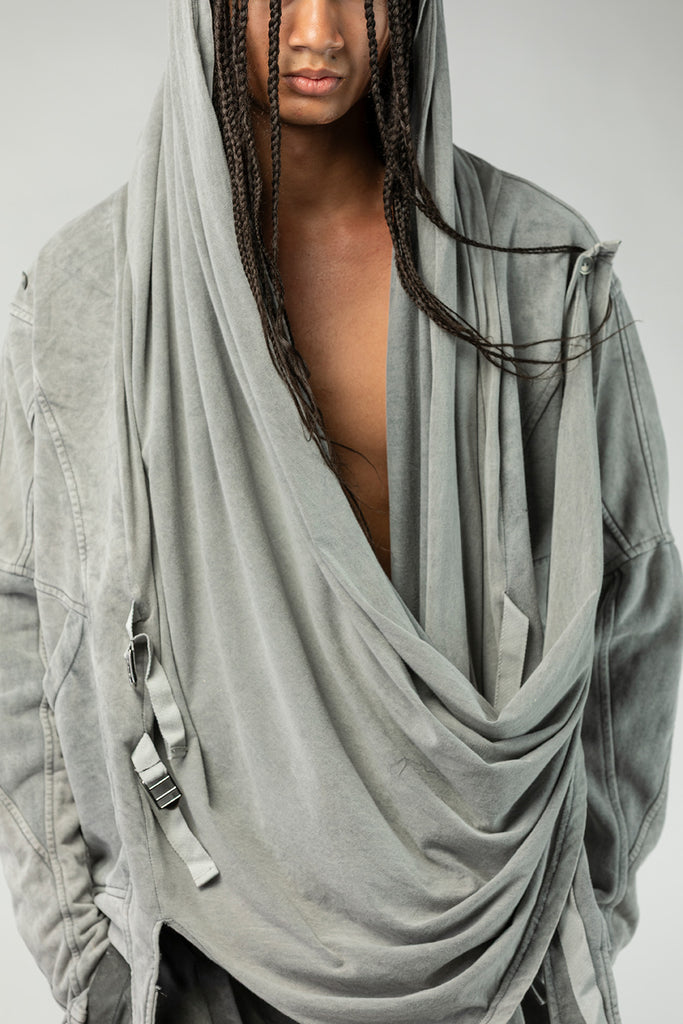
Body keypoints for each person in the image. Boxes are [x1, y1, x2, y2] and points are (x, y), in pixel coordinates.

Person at [0, 1, 680, 1022]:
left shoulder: (535, 274)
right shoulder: (85, 295)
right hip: (205, 958)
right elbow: (26, 629)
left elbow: (629, 614)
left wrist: (574, 907)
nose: (318, 31)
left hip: (497, 954)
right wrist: (90, 954)